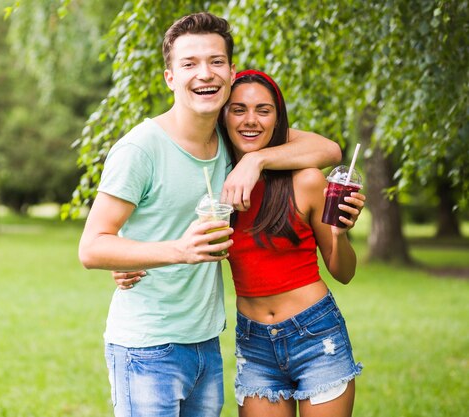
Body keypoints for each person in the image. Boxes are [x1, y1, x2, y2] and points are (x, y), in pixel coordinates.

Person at [79, 12, 341, 417]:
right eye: (189, 63)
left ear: (231, 72)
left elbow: (329, 150)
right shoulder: (141, 149)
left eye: (216, 61)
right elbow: (92, 247)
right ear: (170, 77)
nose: (205, 73)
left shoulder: (231, 137)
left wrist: (255, 162)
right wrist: (174, 251)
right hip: (148, 348)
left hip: (206, 343)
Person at [116, 70, 366, 417]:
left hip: (316, 335)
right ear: (223, 116)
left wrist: (338, 234)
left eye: (264, 110)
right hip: (255, 342)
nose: (251, 120)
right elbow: (169, 227)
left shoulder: (306, 181)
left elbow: (344, 272)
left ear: (277, 119)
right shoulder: (216, 182)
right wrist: (129, 262)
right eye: (238, 110)